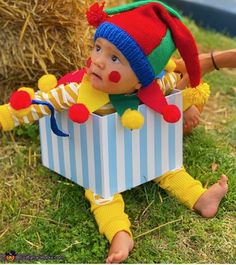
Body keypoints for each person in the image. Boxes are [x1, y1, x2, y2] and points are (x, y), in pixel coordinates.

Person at [0, 1, 228, 263]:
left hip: (147, 153)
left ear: (142, 78)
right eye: (98, 48)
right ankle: (119, 232)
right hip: (101, 163)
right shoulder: (79, 91)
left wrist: (187, 104)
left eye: (114, 58)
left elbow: (174, 86)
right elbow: (40, 103)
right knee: (101, 191)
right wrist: (5, 116)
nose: (97, 61)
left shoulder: (155, 84)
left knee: (169, 169)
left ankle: (200, 198)